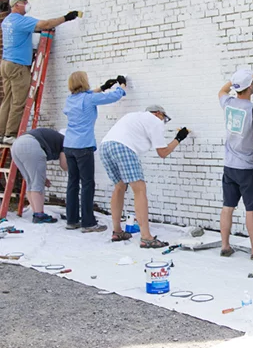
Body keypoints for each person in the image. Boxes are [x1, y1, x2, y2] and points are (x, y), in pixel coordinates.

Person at [99, 105, 189, 245]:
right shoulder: (155, 121)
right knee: (140, 190)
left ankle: (117, 231)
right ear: (158, 113)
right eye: (164, 119)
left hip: (105, 146)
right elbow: (163, 152)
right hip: (124, 148)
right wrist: (178, 138)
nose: (163, 122)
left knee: (119, 187)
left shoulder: (133, 116)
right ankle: (146, 237)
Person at [0, 0, 80, 145]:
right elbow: (46, 25)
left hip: (6, 64)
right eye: (24, 2)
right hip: (18, 66)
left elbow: (22, 33)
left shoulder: (7, 21)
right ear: (16, 4)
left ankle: (1, 132)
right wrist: (66, 17)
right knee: (19, 101)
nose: (26, 5)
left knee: (7, 100)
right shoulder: (19, 20)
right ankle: (10, 134)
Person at [63, 72, 126, 233]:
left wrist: (103, 87)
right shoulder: (89, 99)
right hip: (83, 146)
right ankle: (88, 223)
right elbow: (113, 97)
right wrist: (122, 86)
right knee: (87, 184)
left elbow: (87, 95)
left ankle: (71, 220)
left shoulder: (70, 99)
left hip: (69, 146)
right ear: (84, 81)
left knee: (72, 183)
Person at [218, 70, 253, 259]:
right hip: (249, 167)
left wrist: (233, 81)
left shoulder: (229, 104)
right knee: (251, 209)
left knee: (227, 207)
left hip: (230, 166)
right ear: (250, 87)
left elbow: (221, 92)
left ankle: (225, 245)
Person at [11, 128, 67, 223]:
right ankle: (39, 215)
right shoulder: (66, 142)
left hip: (16, 144)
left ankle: (36, 213)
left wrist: (43, 178)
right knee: (37, 183)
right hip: (32, 145)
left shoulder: (55, 137)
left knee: (30, 181)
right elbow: (64, 166)